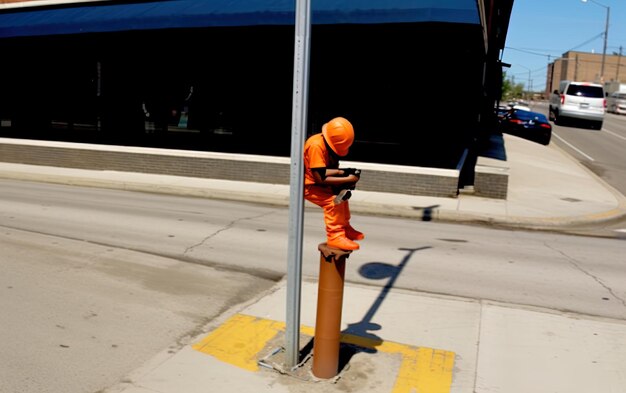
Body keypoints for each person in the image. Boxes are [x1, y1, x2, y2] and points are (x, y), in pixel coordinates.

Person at [303, 117, 364, 251]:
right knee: (333, 202)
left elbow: (326, 170)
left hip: (318, 183)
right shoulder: (316, 146)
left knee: (342, 197)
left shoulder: (328, 144)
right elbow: (319, 178)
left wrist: (344, 172)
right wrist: (348, 179)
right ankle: (335, 236)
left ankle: (345, 228)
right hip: (309, 186)